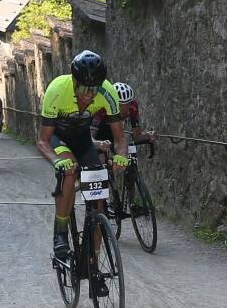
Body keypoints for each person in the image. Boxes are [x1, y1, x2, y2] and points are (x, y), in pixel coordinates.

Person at [36, 51, 130, 260]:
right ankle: (60, 233)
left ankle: (93, 261)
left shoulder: (107, 92)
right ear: (74, 82)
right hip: (58, 139)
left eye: (94, 88)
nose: (89, 94)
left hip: (83, 142)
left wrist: (122, 155)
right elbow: (42, 140)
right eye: (84, 88)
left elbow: (120, 137)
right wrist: (56, 161)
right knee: (69, 171)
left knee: (99, 205)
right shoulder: (57, 90)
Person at [91, 81, 157, 154]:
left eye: (127, 105)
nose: (124, 110)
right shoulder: (102, 108)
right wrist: (99, 144)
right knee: (99, 155)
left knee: (123, 151)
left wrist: (148, 136)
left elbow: (137, 137)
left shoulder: (133, 107)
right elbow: (90, 138)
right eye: (120, 105)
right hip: (98, 128)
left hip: (114, 129)